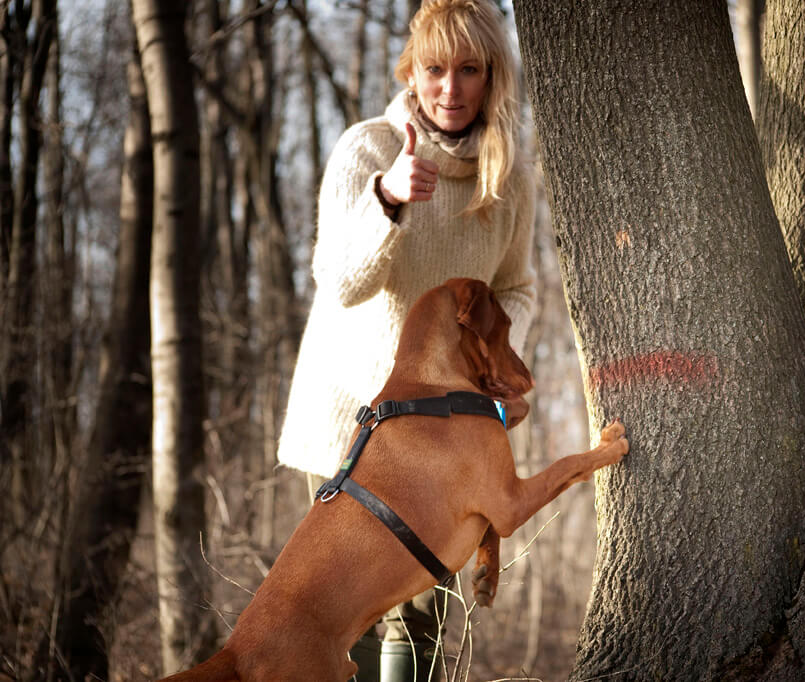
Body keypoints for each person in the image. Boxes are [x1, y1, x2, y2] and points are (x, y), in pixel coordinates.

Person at [276, 1, 536, 679]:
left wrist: (502, 368)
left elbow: (516, 289)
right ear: (412, 73)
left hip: (448, 431)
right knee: (347, 613)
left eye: (470, 71)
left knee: (423, 615)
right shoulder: (368, 149)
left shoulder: (507, 175)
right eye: (435, 69)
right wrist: (386, 201)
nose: (451, 89)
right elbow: (339, 284)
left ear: (492, 77)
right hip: (353, 423)